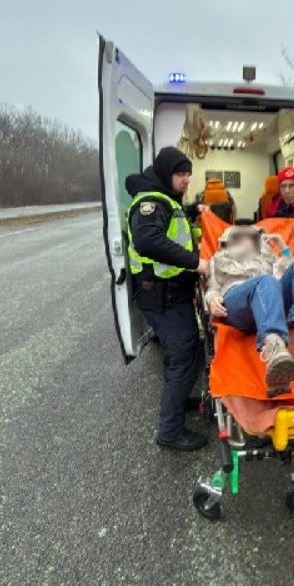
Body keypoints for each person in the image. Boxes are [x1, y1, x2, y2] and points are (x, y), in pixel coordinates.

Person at [125, 146, 211, 452]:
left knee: (186, 353)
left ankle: (176, 401)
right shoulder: (150, 202)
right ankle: (170, 430)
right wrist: (195, 262)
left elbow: (172, 227)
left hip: (172, 292)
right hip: (161, 295)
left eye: (189, 173)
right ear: (165, 174)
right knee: (185, 351)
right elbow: (148, 239)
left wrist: (193, 211)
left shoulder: (166, 200)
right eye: (180, 174)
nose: (187, 180)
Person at [205, 226, 294, 394]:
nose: (248, 240)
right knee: (266, 281)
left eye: (252, 236)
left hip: (272, 299)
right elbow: (213, 286)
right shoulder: (220, 258)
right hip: (239, 300)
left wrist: (283, 247)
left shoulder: (268, 259)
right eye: (241, 236)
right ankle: (275, 349)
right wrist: (212, 298)